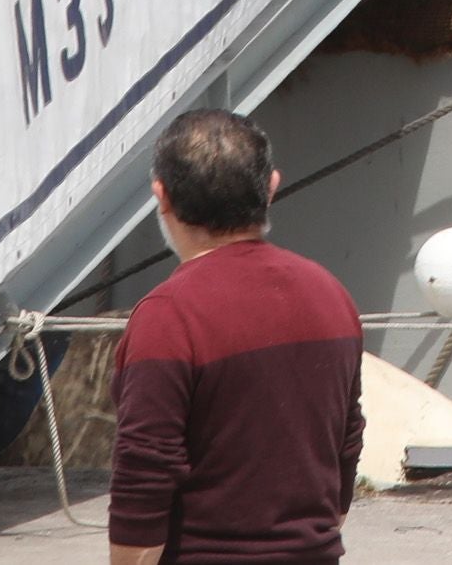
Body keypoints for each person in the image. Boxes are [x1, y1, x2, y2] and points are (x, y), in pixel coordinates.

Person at [110, 108, 364, 565]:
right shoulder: (332, 295)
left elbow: (144, 471)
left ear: (161, 196)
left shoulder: (167, 317)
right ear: (270, 187)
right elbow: (346, 445)